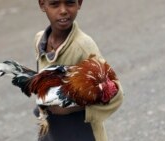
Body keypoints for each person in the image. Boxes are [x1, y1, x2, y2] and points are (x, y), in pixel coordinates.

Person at [33, 0, 124, 141]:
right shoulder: (40, 40)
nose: (63, 10)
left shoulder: (83, 46)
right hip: (51, 130)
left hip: (81, 132)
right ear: (42, 5)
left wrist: (70, 108)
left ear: (79, 3)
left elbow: (116, 93)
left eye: (70, 3)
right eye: (55, 4)